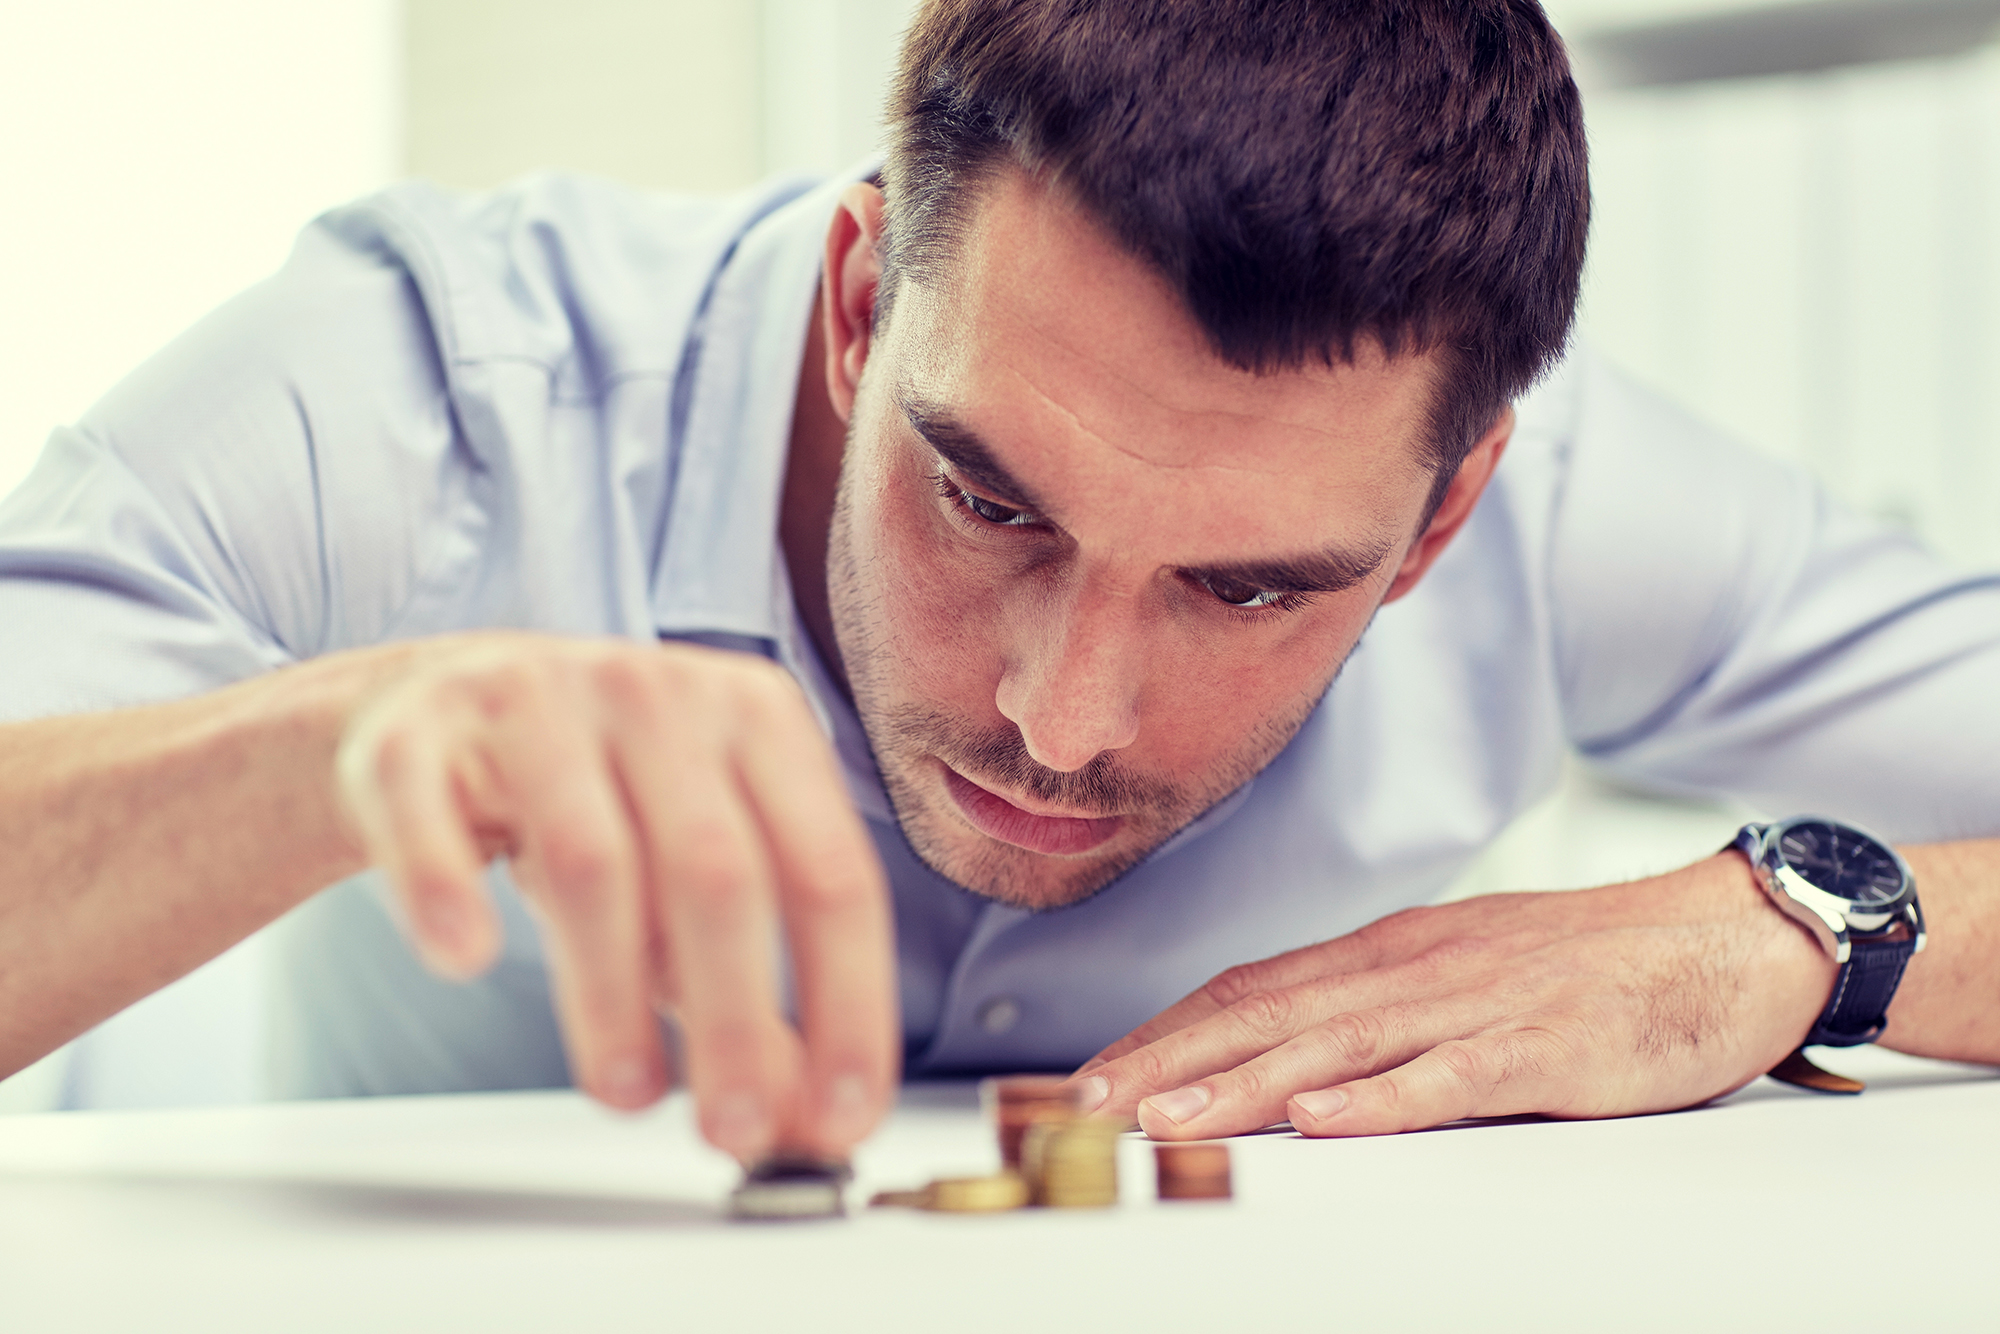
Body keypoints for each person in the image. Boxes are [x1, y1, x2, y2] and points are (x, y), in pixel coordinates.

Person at [1, 0, 1995, 1163]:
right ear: (865, 305)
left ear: (1446, 518)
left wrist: (1800, 932)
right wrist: (328, 743)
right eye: (985, 498)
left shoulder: (1565, 498)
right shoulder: (413, 389)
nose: (1059, 716)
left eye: (1242, 592)